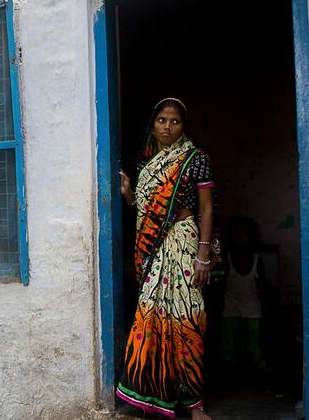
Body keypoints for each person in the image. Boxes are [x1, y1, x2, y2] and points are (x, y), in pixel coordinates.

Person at [118, 98, 214, 420]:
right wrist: (130, 193)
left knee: (189, 317)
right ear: (154, 124)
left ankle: (194, 403)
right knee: (152, 317)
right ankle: (152, 396)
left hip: (185, 243)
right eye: (161, 120)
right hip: (153, 252)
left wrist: (203, 256)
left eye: (174, 121)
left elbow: (207, 208)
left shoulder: (194, 159)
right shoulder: (146, 165)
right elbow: (144, 210)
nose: (167, 127)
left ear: (183, 126)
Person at [220, 216, 269, 372]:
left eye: (245, 235)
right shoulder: (226, 259)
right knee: (229, 338)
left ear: (251, 237)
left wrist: (265, 307)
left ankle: (256, 363)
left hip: (252, 303)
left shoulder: (256, 260)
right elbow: (220, 285)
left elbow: (262, 287)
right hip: (231, 302)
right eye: (237, 235)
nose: (241, 239)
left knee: (253, 338)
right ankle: (230, 365)